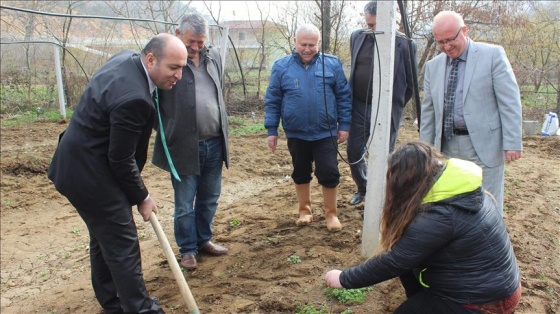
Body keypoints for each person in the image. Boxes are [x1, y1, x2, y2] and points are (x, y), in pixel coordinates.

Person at [48, 33, 188, 313]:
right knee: (122, 242)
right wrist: (142, 196)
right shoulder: (134, 98)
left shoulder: (126, 58)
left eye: (182, 67)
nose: (179, 75)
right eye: (173, 67)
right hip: (90, 174)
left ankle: (114, 304)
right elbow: (121, 159)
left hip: (78, 164)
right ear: (150, 59)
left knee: (104, 239)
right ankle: (140, 309)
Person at [325, 141, 521, 313]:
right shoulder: (458, 190)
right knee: (408, 263)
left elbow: (393, 262)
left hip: (487, 303)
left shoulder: (440, 216)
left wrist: (343, 279)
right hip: (496, 289)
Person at [419, 11, 522, 216]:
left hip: (484, 145)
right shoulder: (433, 67)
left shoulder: (492, 55)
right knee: (449, 201)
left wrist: (512, 141)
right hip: (445, 146)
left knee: (487, 203)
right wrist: (425, 149)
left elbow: (509, 101)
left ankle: (489, 245)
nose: (447, 47)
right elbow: (428, 112)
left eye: (450, 40)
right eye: (440, 42)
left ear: (464, 31)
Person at [152, 13, 230, 271]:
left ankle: (203, 239)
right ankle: (187, 249)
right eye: (191, 42)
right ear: (177, 33)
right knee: (185, 202)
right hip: (183, 145)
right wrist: (170, 129)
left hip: (214, 141)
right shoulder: (167, 60)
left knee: (210, 197)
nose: (196, 48)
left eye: (200, 42)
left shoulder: (214, 57)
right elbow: (151, 102)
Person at [264, 24, 352, 232]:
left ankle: (331, 215)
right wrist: (271, 130)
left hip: (326, 132)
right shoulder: (281, 66)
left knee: (329, 172)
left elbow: (343, 96)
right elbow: (273, 99)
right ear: (295, 42)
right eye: (303, 44)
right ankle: (305, 211)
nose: (307, 49)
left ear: (318, 44)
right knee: (300, 171)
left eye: (312, 45)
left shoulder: (332, 64)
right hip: (297, 132)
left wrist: (345, 125)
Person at [347, 0, 417, 206]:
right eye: (369, 24)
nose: (372, 29)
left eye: (377, 25)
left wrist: (394, 105)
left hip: (386, 108)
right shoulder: (357, 37)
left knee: (385, 153)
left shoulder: (405, 44)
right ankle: (363, 187)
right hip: (359, 105)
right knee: (353, 151)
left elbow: (410, 85)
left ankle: (382, 195)